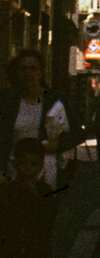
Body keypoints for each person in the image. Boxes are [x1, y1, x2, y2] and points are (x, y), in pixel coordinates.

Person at [0, 51, 72, 190]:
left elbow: (77, 134)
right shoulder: (7, 100)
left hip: (44, 175)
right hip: (12, 174)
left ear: (41, 72)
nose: (28, 73)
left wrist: (58, 144)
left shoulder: (53, 99)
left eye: (33, 68)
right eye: (23, 69)